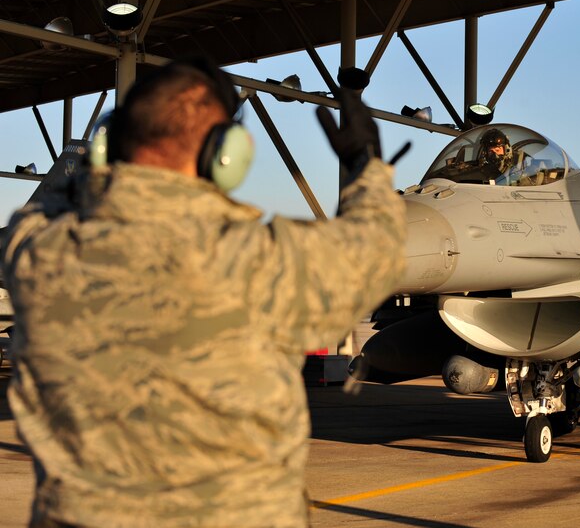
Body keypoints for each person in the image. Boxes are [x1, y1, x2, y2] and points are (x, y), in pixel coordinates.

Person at [0, 58, 406, 527]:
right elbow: (377, 248)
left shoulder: (38, 256)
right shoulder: (264, 261)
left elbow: (42, 209)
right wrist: (367, 168)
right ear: (225, 154)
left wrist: (104, 159)